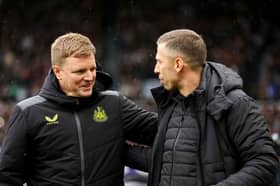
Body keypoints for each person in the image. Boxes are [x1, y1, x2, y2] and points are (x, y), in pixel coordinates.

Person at [0, 32, 157, 186]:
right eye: (80, 71)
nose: (89, 77)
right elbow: (8, 176)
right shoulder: (28, 112)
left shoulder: (114, 104)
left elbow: (163, 131)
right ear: (58, 72)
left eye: (92, 69)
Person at [139, 29, 279, 186]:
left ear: (178, 64)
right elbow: (167, 160)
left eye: (159, 61)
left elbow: (265, 162)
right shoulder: (172, 104)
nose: (156, 69)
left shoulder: (236, 103)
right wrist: (112, 146)